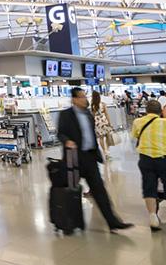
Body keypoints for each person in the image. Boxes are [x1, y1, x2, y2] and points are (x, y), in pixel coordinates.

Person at [56, 87, 133, 232]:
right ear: (74, 99)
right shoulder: (65, 115)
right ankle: (69, 223)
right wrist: (67, 141)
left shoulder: (88, 114)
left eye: (85, 96)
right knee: (72, 191)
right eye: (82, 97)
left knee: (100, 191)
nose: (85, 99)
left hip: (89, 157)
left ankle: (112, 221)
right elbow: (60, 133)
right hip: (74, 159)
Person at [131, 99, 166, 230]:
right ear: (161, 110)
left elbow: (135, 136)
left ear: (146, 111)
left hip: (145, 158)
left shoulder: (137, 122)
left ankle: (153, 217)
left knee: (149, 186)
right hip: (164, 158)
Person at [91, 91, 114, 160]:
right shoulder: (103, 104)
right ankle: (108, 151)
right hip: (104, 122)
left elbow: (93, 115)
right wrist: (110, 122)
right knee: (108, 136)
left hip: (97, 123)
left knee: (101, 138)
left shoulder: (93, 105)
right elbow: (106, 114)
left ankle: (105, 152)